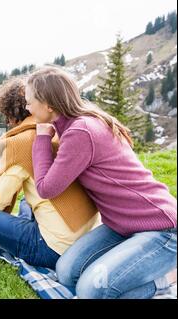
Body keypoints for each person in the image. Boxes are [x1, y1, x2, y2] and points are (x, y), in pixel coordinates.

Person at [26, 66, 177, 298]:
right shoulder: (79, 124)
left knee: (90, 291)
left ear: (49, 105)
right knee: (66, 273)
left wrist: (43, 136)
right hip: (122, 225)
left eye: (29, 101)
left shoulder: (80, 131)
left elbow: (46, 188)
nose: (27, 107)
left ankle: (165, 279)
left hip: (161, 228)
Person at [0, 75, 100, 269]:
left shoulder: (20, 142)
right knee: (26, 199)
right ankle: (8, 232)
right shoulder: (52, 128)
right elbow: (26, 167)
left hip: (52, 250)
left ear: (10, 113)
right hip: (89, 235)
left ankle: (2, 239)